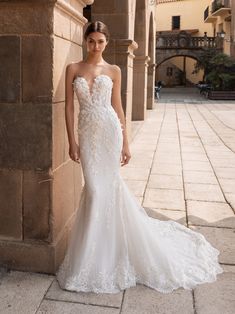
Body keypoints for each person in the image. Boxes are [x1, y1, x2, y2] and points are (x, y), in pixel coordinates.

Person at [56, 21, 223, 294]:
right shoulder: (73, 69)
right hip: (87, 136)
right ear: (85, 41)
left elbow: (118, 107)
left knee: (103, 191)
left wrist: (126, 143)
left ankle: (105, 253)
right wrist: (72, 142)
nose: (95, 46)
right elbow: (68, 109)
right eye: (91, 41)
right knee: (96, 191)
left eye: (100, 41)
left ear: (107, 42)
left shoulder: (114, 70)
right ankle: (94, 254)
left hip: (109, 134)